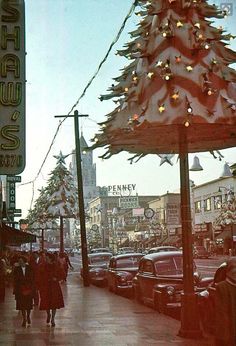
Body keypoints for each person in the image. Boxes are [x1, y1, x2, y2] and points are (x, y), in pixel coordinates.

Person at [38, 252, 64, 327]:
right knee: (46, 302)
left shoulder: (56, 266)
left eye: (47, 257)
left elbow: (62, 274)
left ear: (50, 258)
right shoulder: (43, 266)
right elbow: (39, 275)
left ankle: (53, 318)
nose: (45, 259)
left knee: (54, 303)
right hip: (46, 286)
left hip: (54, 286)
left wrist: (57, 278)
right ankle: (48, 314)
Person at [214, 258, 236, 346]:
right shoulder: (222, 287)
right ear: (228, 272)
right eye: (233, 269)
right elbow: (222, 313)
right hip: (229, 333)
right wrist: (224, 336)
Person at [13, 255, 34, 327]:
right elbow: (15, 279)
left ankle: (28, 316)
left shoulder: (30, 268)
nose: (20, 262)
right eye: (19, 261)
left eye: (21, 261)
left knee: (28, 304)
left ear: (24, 261)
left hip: (29, 289)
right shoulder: (17, 269)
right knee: (22, 305)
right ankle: (24, 318)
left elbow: (32, 278)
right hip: (20, 289)